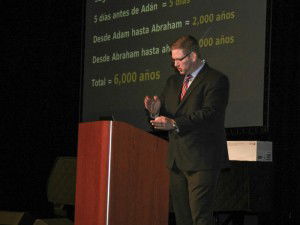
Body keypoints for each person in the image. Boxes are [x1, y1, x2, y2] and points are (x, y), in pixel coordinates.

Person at [144, 35, 230, 225]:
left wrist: (174, 124)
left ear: (192, 56)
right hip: (177, 160)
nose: (175, 64)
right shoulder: (173, 82)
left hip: (202, 159)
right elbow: (168, 114)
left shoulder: (216, 80)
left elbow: (210, 114)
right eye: (172, 60)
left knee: (200, 218)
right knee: (182, 219)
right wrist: (155, 112)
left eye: (178, 59)